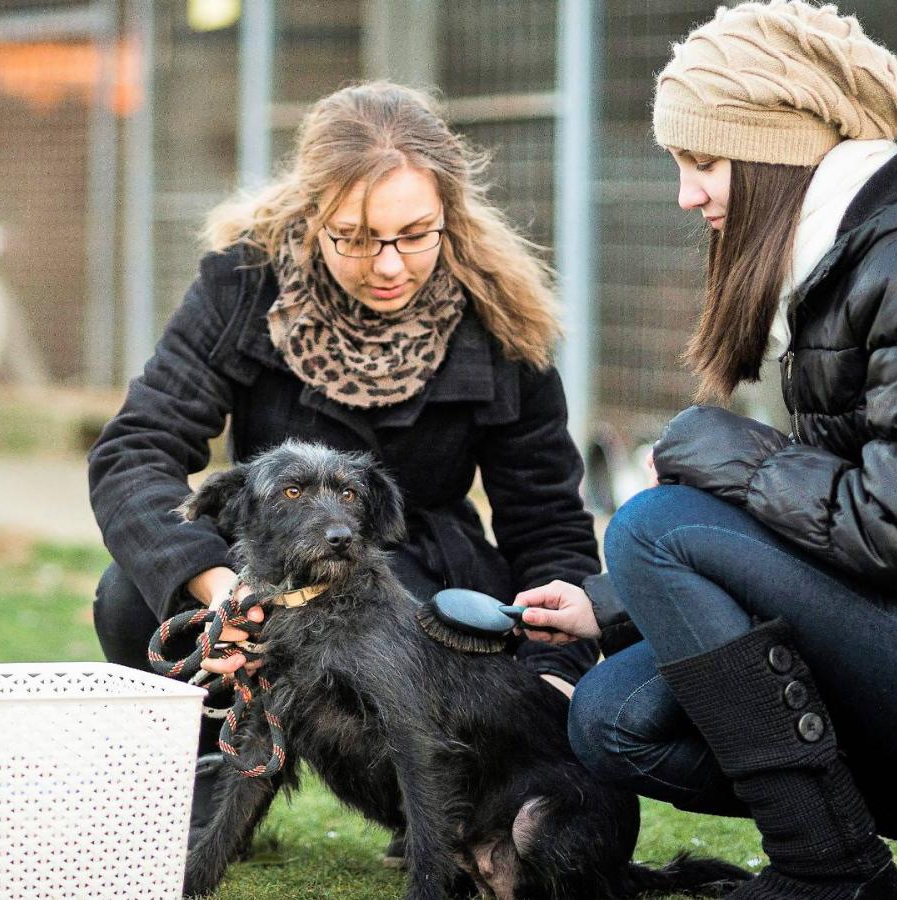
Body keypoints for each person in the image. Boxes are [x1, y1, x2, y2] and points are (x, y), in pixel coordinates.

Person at [514, 3, 897, 898]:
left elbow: (896, 534)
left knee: (653, 524)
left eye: (703, 163)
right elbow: (823, 516)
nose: (688, 193)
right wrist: (614, 607)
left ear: (775, 150)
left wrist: (729, 452)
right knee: (614, 719)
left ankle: (829, 873)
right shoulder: (849, 258)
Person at [87, 81, 602, 851]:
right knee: (132, 597)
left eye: (414, 233)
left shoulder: (504, 322)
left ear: (450, 217)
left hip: (424, 575)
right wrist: (222, 590)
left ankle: (436, 806)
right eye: (355, 237)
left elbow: (546, 518)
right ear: (311, 214)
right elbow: (135, 453)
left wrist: (558, 668)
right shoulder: (240, 288)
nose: (389, 264)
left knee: (410, 622)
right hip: (269, 558)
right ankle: (216, 784)